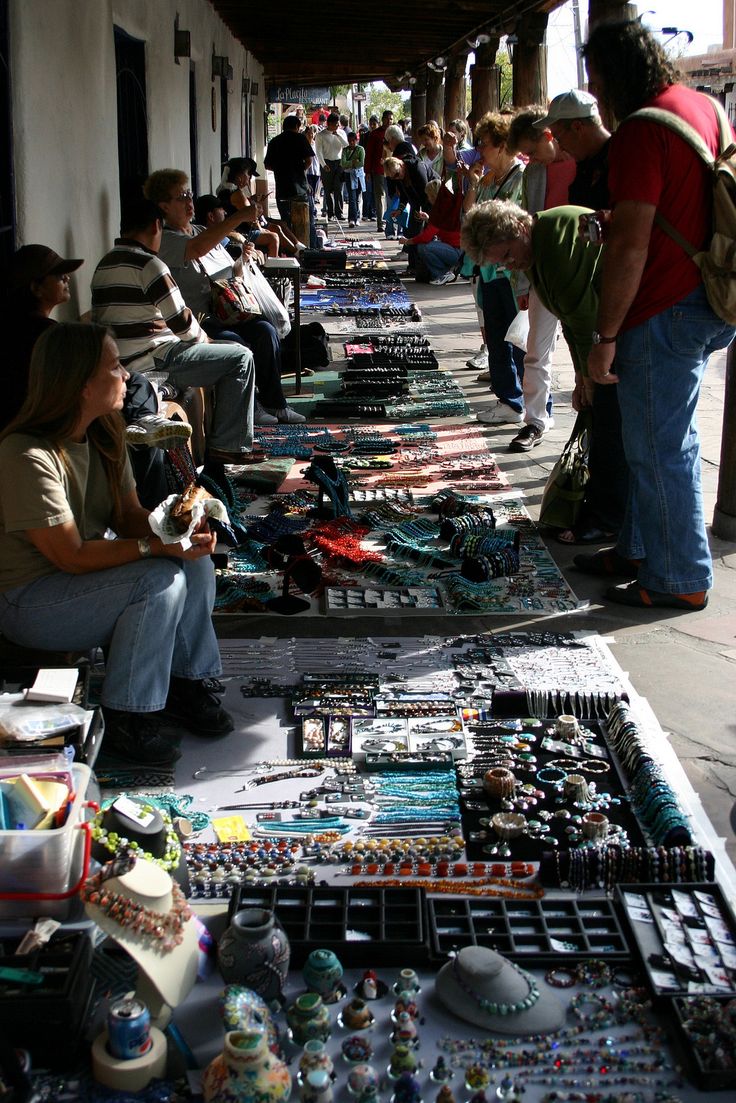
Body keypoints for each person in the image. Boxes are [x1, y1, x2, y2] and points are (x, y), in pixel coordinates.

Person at [0, 323, 233, 765]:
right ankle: (129, 715)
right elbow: (69, 555)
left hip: (81, 583)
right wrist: (156, 548)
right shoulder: (25, 454)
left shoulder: (104, 433)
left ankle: (184, 683)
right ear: (82, 384)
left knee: (194, 563)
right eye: (115, 367)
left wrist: (180, 530)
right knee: (158, 579)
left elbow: (127, 517)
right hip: (29, 600)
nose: (127, 377)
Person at [580, 20, 736, 611]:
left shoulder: (644, 128)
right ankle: (641, 547)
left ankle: (680, 577)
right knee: (669, 437)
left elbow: (631, 244)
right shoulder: (702, 108)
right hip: (709, 295)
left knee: (658, 447)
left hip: (664, 305)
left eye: (596, 79)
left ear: (615, 73)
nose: (595, 92)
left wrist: (606, 334)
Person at [4, 245, 187, 508]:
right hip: (54, 418)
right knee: (136, 387)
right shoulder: (52, 338)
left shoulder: (23, 330)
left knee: (134, 382)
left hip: (51, 414)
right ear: (36, 288)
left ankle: (145, 420)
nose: (67, 279)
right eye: (58, 276)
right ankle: (145, 421)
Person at [91, 197, 256, 474]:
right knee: (240, 357)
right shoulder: (149, 266)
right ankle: (229, 446)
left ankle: (225, 440)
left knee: (228, 349)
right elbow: (183, 324)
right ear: (157, 225)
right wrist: (207, 341)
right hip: (154, 360)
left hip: (124, 360)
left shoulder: (104, 265)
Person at [535, 89, 625, 546]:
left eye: (559, 133)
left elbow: (583, 301)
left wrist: (599, 347)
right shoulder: (588, 166)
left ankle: (610, 517)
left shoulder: (617, 160)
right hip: (601, 309)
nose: (558, 146)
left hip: (618, 308)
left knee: (614, 422)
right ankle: (607, 512)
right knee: (603, 417)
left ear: (575, 126)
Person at [148, 169, 304, 426]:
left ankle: (276, 404)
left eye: (190, 194)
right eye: (181, 197)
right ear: (163, 206)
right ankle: (250, 407)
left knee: (265, 331)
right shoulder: (166, 239)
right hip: (198, 322)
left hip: (227, 312)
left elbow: (223, 262)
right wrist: (240, 216)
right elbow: (198, 248)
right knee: (237, 345)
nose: (190, 202)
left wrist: (244, 256)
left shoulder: (197, 229)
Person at [499, 105, 577, 450]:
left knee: (587, 351)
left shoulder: (581, 162)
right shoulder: (534, 174)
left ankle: (594, 424)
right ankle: (535, 421)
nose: (530, 159)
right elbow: (528, 228)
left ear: (548, 135)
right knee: (535, 352)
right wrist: (525, 283)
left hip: (581, 271)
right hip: (544, 271)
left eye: (531, 152)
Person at [460, 112, 525, 426]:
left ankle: (535, 406)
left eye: (483, 144)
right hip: (488, 271)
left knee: (522, 341)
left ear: (501, 145)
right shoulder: (487, 181)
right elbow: (469, 216)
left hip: (512, 273)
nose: (479, 151)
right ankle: (508, 401)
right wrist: (473, 184)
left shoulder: (521, 176)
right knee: (497, 338)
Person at [397, 179, 463, 286]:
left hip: (456, 251)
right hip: (458, 249)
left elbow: (425, 237)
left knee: (424, 247)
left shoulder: (440, 209)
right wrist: (428, 219)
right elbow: (442, 227)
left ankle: (441, 274)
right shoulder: (446, 205)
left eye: (428, 196)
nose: (427, 199)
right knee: (428, 246)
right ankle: (447, 272)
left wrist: (408, 241)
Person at [264, 116, 317, 248]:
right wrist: (299, 170)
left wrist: (280, 169)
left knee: (286, 223)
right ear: (297, 127)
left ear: (283, 126)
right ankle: (310, 249)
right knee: (306, 222)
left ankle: (291, 250)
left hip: (283, 189)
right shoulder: (301, 139)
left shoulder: (275, 141)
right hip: (300, 188)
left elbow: (267, 165)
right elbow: (309, 161)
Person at [364, 109, 393, 232]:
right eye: (387, 118)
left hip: (393, 171)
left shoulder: (395, 133)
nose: (389, 121)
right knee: (379, 197)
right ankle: (380, 223)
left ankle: (391, 223)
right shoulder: (375, 134)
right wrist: (367, 171)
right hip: (378, 170)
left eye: (391, 119)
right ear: (383, 119)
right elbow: (369, 153)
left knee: (391, 197)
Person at [315, 113, 348, 221]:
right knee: (328, 190)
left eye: (338, 124)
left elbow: (346, 146)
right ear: (328, 124)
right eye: (334, 124)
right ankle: (330, 213)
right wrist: (323, 164)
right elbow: (318, 151)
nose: (337, 126)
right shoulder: (321, 135)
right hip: (327, 163)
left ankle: (339, 213)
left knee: (339, 189)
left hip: (339, 163)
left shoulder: (341, 133)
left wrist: (337, 135)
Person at [340, 131, 366, 227]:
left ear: (356, 140)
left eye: (353, 141)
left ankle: (357, 217)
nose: (351, 143)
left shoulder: (360, 149)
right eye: (349, 141)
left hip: (359, 176)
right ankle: (352, 219)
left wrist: (349, 163)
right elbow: (343, 163)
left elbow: (361, 163)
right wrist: (353, 162)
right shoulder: (345, 150)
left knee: (357, 198)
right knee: (351, 198)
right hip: (348, 176)